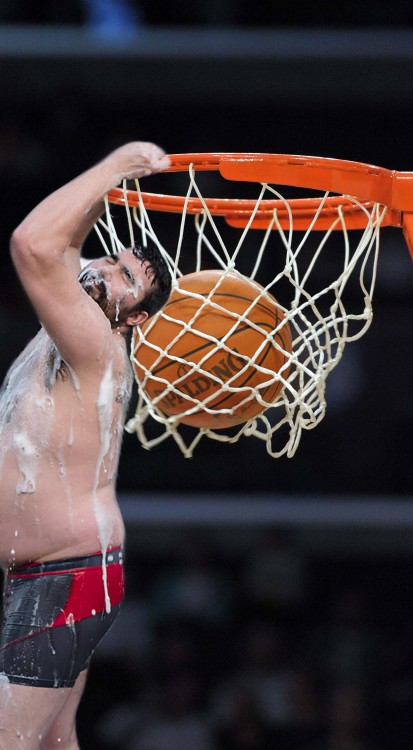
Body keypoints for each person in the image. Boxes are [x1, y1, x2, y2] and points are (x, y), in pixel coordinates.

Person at [0, 141, 172, 750]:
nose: (102, 269)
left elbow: (32, 244)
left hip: (67, 574)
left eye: (126, 277)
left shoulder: (98, 342)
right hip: (52, 573)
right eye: (110, 259)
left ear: (136, 317)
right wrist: (101, 197)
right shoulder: (70, 324)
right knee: (54, 742)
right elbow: (67, 248)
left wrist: (115, 167)